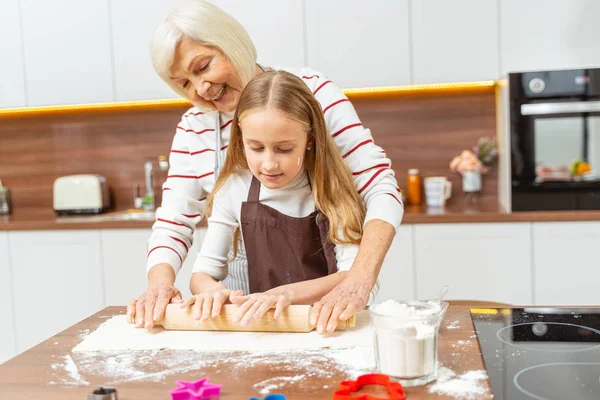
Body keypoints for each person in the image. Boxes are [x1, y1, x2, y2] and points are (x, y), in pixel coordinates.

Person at [128, 0, 403, 333]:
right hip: (246, 314)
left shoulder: (309, 92)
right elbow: (174, 221)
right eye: (184, 83)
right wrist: (160, 283)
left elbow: (379, 186)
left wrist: (358, 280)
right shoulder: (194, 129)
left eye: (202, 66)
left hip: (323, 311)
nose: (200, 88)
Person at [181, 70, 371, 325]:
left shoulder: (332, 186)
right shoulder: (234, 188)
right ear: (241, 137)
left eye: (284, 149)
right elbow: (201, 273)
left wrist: (287, 294)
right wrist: (211, 291)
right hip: (272, 327)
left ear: (309, 140)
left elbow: (351, 275)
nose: (269, 164)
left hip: (334, 324)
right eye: (256, 147)